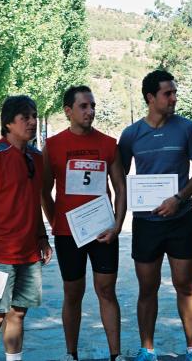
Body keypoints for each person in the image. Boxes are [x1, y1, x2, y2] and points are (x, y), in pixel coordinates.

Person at [119, 70, 192, 361]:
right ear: (150, 98)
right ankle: (147, 350)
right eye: (167, 93)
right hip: (146, 224)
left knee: (185, 286)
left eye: (174, 92)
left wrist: (179, 198)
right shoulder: (131, 134)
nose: (174, 98)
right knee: (148, 288)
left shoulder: (187, 128)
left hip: (182, 219)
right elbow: (118, 177)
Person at [42, 86, 127, 361]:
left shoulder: (108, 143)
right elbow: (44, 191)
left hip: (103, 231)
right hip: (69, 234)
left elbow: (120, 188)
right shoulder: (53, 146)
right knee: (73, 293)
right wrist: (55, 220)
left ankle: (116, 354)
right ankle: (71, 354)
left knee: (106, 290)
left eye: (92, 105)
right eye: (83, 106)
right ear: (68, 111)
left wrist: (117, 225)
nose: (90, 111)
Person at [0, 95, 53, 361]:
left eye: (34, 116)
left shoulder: (37, 158)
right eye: (24, 117)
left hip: (28, 253)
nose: (31, 122)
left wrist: (42, 236)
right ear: (8, 123)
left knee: (18, 313)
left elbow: (34, 200)